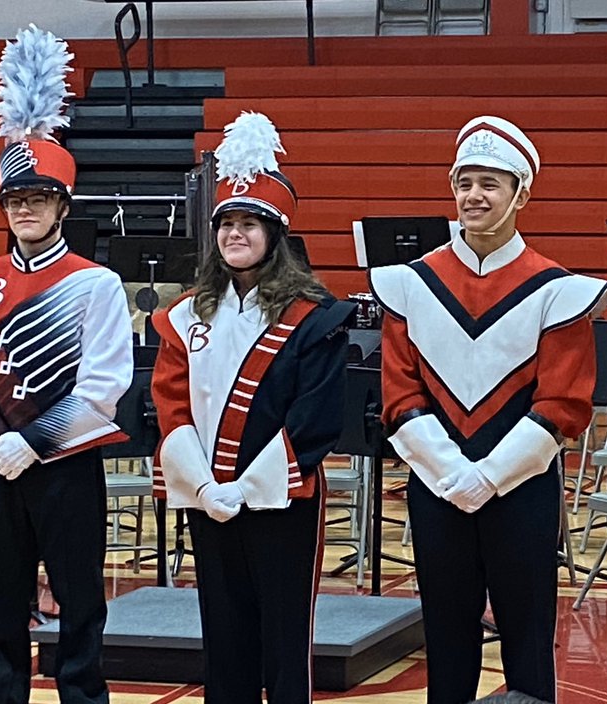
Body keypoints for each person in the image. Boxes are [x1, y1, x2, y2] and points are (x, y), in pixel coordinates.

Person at [0, 26, 133, 704]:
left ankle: (82, 696)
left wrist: (34, 440)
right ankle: (3, 693)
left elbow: (105, 386)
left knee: (79, 596)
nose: (25, 209)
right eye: (15, 200)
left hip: (67, 462)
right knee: (0, 596)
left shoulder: (95, 282)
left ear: (62, 206)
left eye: (38, 199)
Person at [370, 116, 607, 703]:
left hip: (523, 489)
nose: (474, 196)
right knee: (446, 637)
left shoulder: (556, 289)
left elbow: (562, 401)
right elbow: (400, 392)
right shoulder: (411, 284)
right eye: (465, 183)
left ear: (520, 195)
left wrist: (491, 476)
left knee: (528, 638)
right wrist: (453, 472)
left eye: (490, 184)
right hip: (437, 486)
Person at [150, 111, 354, 704]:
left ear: (275, 236)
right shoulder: (186, 314)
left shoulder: (315, 316)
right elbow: (170, 402)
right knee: (224, 634)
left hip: (281, 498)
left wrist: (247, 486)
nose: (235, 234)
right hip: (209, 498)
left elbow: (316, 418)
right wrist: (205, 486)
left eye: (250, 223)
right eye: (227, 223)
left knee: (285, 639)